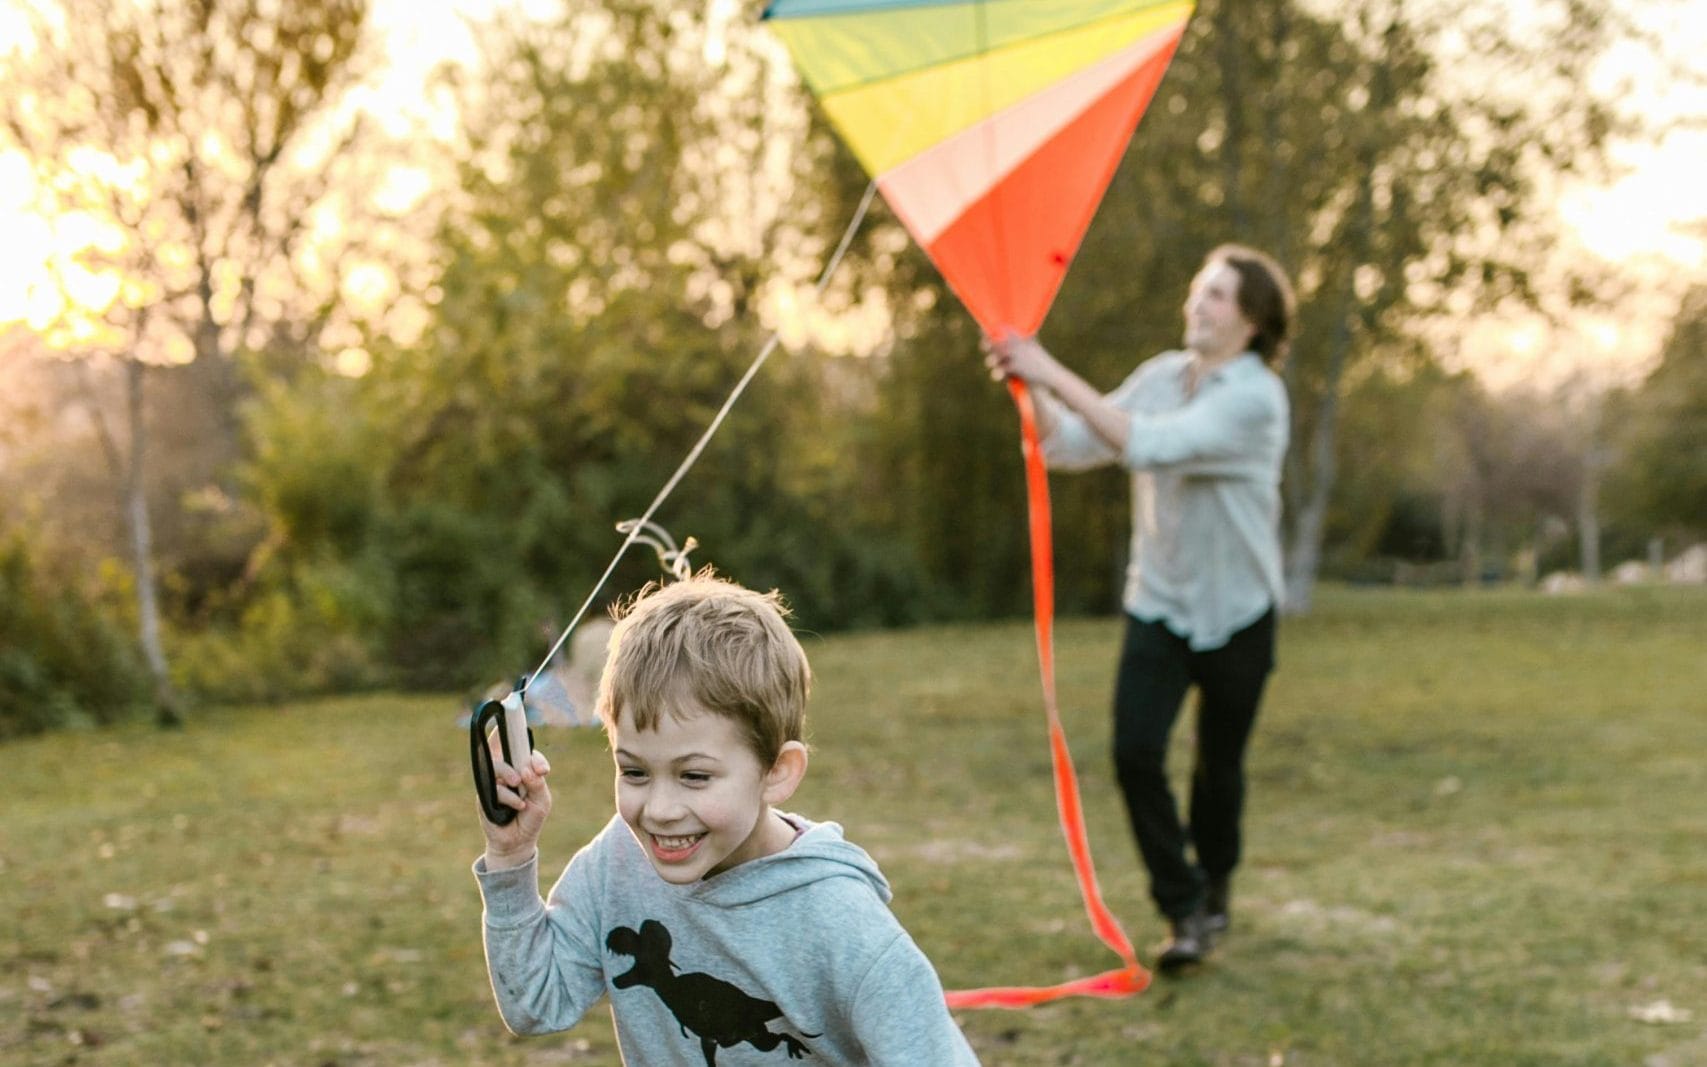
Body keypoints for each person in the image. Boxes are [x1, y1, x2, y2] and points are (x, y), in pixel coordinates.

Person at [472, 571, 981, 1065]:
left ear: (778, 772)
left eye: (694, 776)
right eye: (634, 771)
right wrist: (510, 858)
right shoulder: (618, 862)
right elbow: (534, 1004)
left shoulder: (842, 924)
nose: (660, 810)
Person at [986, 244, 1294, 973]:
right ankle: (1183, 907)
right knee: (1133, 752)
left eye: (1217, 294)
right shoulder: (1161, 376)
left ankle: (1213, 886)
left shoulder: (1254, 398)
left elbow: (1150, 446)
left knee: (1218, 769)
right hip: (1158, 601)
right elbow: (1069, 445)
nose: (1198, 302)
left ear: (1250, 319)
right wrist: (1024, 384)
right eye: (1198, 288)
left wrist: (1046, 365)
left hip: (1240, 610)